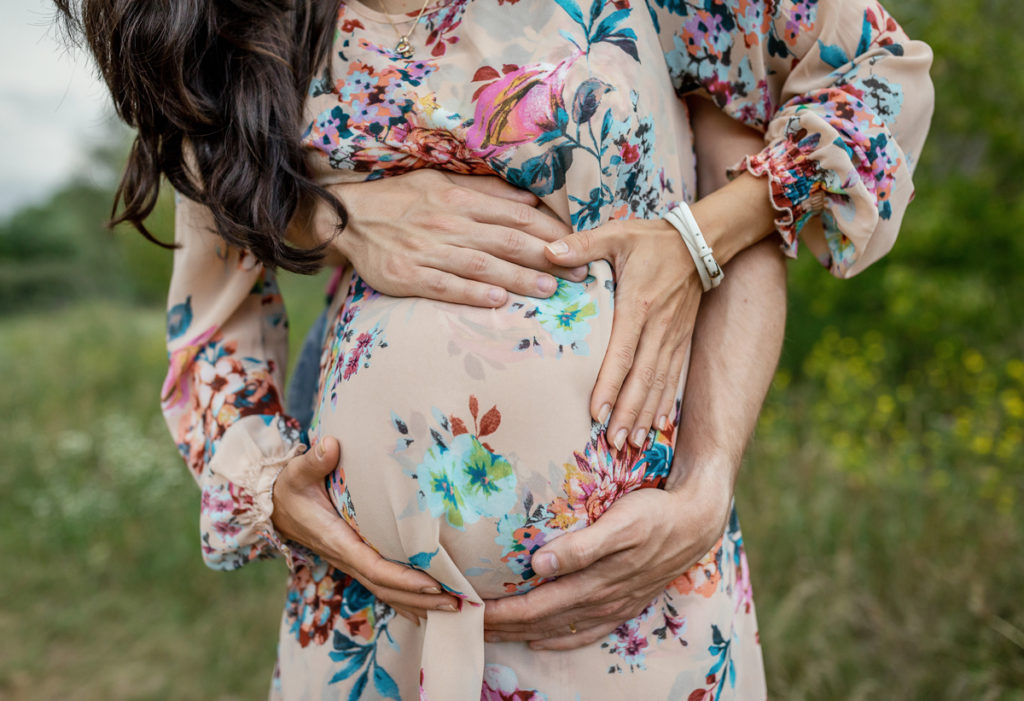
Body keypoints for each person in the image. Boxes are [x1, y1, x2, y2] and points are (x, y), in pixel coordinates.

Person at [55, 0, 933, 698]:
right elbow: (211, 332)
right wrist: (267, 482)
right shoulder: (251, 40)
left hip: (634, 610)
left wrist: (695, 243)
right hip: (369, 626)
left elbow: (873, 79)